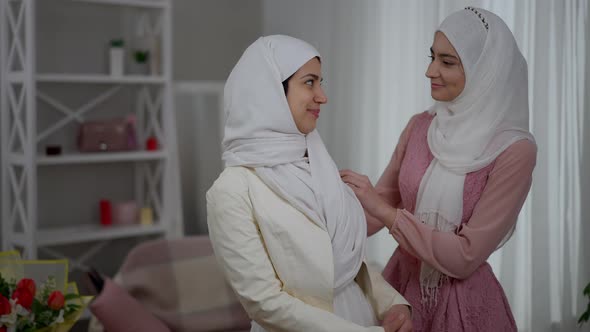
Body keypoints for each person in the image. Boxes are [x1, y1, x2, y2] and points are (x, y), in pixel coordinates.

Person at [340, 7, 536, 332]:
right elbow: (377, 207)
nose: (430, 71)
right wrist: (319, 219)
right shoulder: (420, 127)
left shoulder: (515, 151)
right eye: (432, 57)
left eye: (447, 62)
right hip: (400, 294)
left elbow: (464, 257)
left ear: (485, 71)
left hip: (465, 307)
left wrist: (388, 214)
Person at [206, 35, 412, 332]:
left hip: (363, 319)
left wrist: (393, 304)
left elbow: (351, 260)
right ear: (271, 92)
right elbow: (265, 302)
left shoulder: (318, 163)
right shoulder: (232, 191)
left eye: (320, 82)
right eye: (309, 82)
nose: (322, 96)